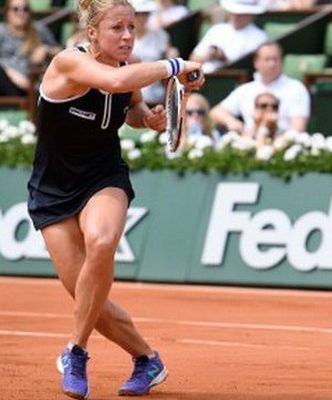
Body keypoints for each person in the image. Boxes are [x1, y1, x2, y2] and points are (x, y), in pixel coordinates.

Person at [26, 0, 204, 399]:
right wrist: (174, 65)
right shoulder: (68, 64)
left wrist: (151, 120)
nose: (126, 37)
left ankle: (75, 351)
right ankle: (147, 359)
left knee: (103, 242)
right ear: (92, 34)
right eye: (116, 29)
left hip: (103, 176)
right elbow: (115, 84)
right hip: (52, 189)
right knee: (89, 299)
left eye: (131, 28)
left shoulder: (132, 65)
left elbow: (131, 108)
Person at [210, 41, 310, 133]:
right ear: (256, 63)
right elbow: (215, 113)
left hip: (283, 145)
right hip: (249, 144)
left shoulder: (296, 88)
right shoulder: (246, 90)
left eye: (275, 59)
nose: (272, 64)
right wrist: (233, 123)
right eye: (267, 59)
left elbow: (298, 128)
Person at [0, 0, 62, 96]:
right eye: (16, 9)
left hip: (34, 84)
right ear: (7, 12)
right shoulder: (2, 31)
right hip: (8, 83)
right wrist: (11, 73)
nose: (21, 13)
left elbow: (62, 54)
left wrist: (46, 50)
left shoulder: (39, 29)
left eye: (25, 9)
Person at [190, 0, 268, 73]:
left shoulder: (260, 38)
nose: (236, 16)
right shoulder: (217, 29)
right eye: (233, 12)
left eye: (241, 14)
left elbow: (244, 68)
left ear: (251, 15)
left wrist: (223, 57)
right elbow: (193, 59)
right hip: (202, 78)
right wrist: (208, 54)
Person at [131, 0, 179, 105]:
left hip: (155, 96)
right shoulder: (123, 36)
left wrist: (172, 54)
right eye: (138, 14)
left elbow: (170, 55)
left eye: (145, 13)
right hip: (129, 96)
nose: (142, 17)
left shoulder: (160, 35)